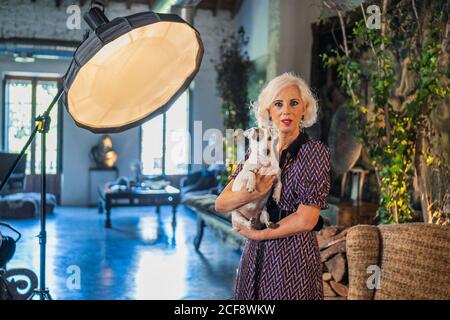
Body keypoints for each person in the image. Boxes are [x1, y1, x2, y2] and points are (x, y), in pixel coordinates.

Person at [215, 72, 331, 300]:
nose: (286, 111)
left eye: (294, 103)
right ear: (268, 111)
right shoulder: (256, 151)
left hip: (293, 256)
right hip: (254, 256)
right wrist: (254, 193)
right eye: (278, 104)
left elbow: (306, 219)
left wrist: (259, 235)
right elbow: (221, 203)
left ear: (304, 110)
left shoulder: (314, 152)